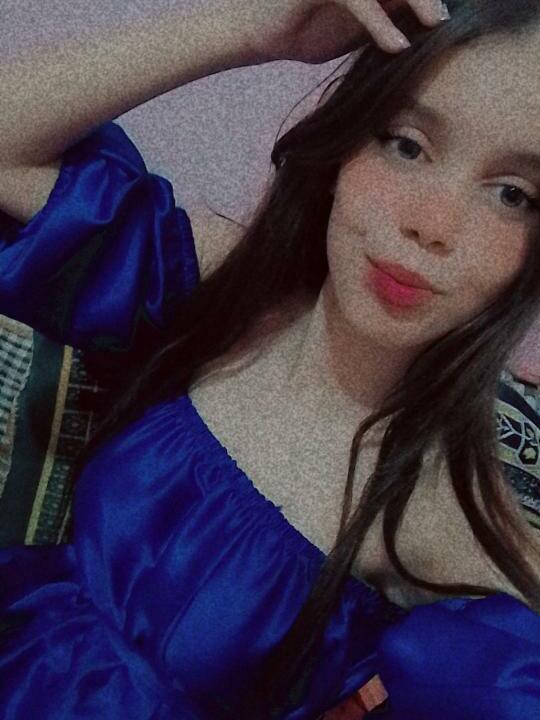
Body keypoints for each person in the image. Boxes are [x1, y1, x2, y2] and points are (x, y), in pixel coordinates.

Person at [0, 0, 539, 718]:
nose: (431, 225)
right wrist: (250, 29)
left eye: (511, 194)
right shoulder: (230, 286)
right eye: (407, 145)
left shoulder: (444, 513)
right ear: (347, 146)